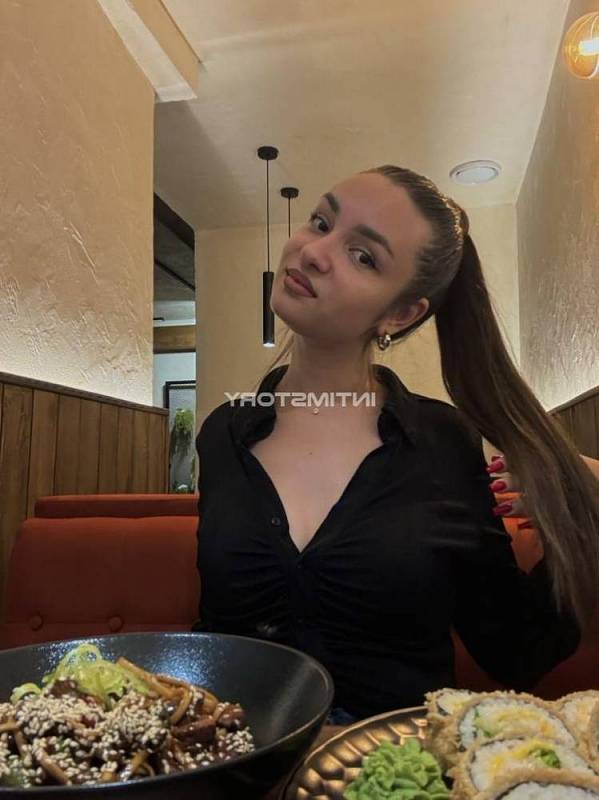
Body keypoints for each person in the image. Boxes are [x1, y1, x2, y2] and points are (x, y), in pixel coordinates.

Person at [194, 165, 599, 720]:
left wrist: (587, 507)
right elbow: (215, 632)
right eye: (321, 222)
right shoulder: (223, 431)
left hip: (392, 758)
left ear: (401, 313)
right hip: (235, 755)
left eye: (363, 256)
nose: (314, 252)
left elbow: (516, 651)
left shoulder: (442, 441)